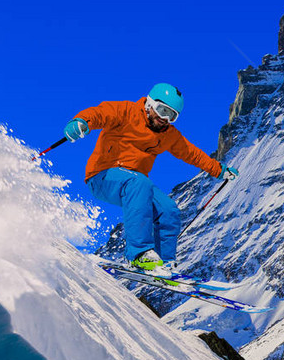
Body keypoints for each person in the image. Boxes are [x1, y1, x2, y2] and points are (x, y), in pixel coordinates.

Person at [64, 83, 238, 274]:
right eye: (162, 111)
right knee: (139, 182)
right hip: (102, 176)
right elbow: (101, 113)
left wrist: (219, 170)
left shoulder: (168, 135)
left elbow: (192, 153)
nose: (165, 119)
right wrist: (81, 121)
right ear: (150, 103)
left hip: (137, 185)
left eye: (172, 116)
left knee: (168, 210)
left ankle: (164, 262)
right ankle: (139, 254)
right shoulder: (126, 112)